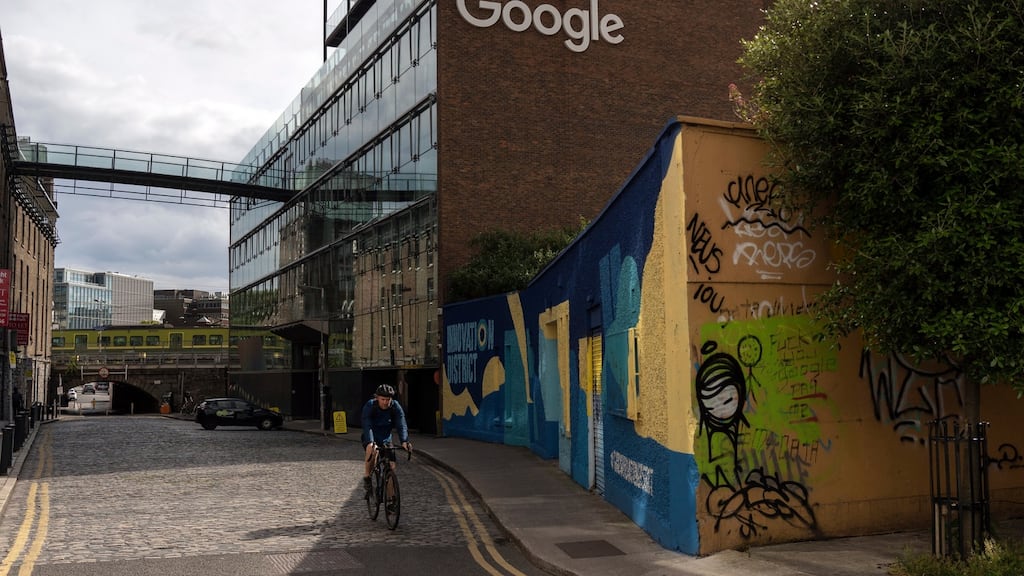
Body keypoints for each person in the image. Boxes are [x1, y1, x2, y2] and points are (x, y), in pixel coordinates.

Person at [361, 384, 411, 497]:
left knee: (391, 467)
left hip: (386, 439)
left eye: (388, 399)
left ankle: (391, 499)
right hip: (371, 436)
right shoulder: (370, 406)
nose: (385, 402)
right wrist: (371, 441)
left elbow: (401, 424)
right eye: (382, 399)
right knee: (372, 449)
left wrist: (404, 441)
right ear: (377, 397)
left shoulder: (395, 406)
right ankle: (367, 477)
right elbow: (367, 425)